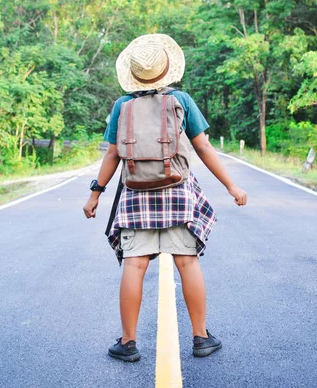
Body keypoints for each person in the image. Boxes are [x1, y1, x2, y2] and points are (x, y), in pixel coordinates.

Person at [83, 34, 247, 362]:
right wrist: (232, 186)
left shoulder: (122, 106)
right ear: (166, 70)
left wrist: (94, 195)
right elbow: (203, 147)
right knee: (187, 262)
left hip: (135, 196)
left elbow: (112, 155)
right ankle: (201, 338)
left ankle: (128, 343)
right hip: (177, 192)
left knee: (134, 265)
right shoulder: (182, 100)